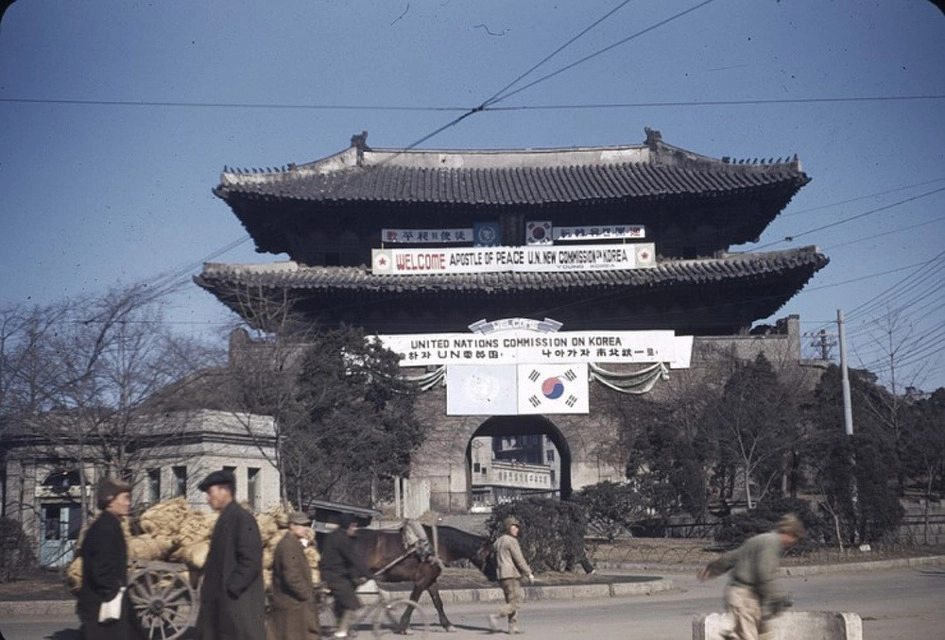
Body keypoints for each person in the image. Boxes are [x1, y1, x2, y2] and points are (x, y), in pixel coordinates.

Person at [697, 513, 807, 640]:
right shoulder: (772, 543)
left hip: (745, 596)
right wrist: (778, 597)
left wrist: (712, 569)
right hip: (744, 596)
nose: (794, 543)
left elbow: (731, 557)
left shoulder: (760, 540)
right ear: (790, 534)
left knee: (764, 635)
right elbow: (765, 574)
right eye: (795, 539)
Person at [195, 469, 266, 640]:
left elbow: (251, 560)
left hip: (235, 606)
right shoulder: (225, 518)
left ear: (225, 490)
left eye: (210, 492)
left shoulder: (242, 519)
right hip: (220, 606)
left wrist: (230, 589)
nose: (207, 498)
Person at [76, 476, 144, 639]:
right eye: (125, 498)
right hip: (104, 605)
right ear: (110, 500)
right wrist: (113, 593)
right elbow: (100, 568)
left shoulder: (108, 524)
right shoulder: (107, 528)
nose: (128, 503)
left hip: (107, 602)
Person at [318, 514, 372, 639]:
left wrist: (357, 576)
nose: (354, 529)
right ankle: (341, 632)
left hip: (336, 573)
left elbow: (347, 561)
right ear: (347, 526)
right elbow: (353, 558)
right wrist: (368, 574)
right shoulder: (340, 539)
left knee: (345, 597)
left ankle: (344, 625)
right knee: (351, 602)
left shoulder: (337, 536)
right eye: (353, 526)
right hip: (333, 575)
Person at [268, 511, 320, 640]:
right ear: (291, 526)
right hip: (292, 606)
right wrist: (306, 594)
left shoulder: (293, 543)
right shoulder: (288, 546)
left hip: (294, 606)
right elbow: (291, 577)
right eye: (301, 525)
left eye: (306, 525)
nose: (305, 528)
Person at [488, 516, 534, 635]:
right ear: (508, 528)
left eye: (517, 527)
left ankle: (512, 627)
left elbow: (492, 559)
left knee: (511, 600)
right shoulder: (511, 541)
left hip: (501, 575)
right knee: (517, 601)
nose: (516, 530)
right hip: (511, 574)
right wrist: (528, 573)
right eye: (514, 527)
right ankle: (496, 615)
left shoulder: (498, 542)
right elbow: (519, 559)